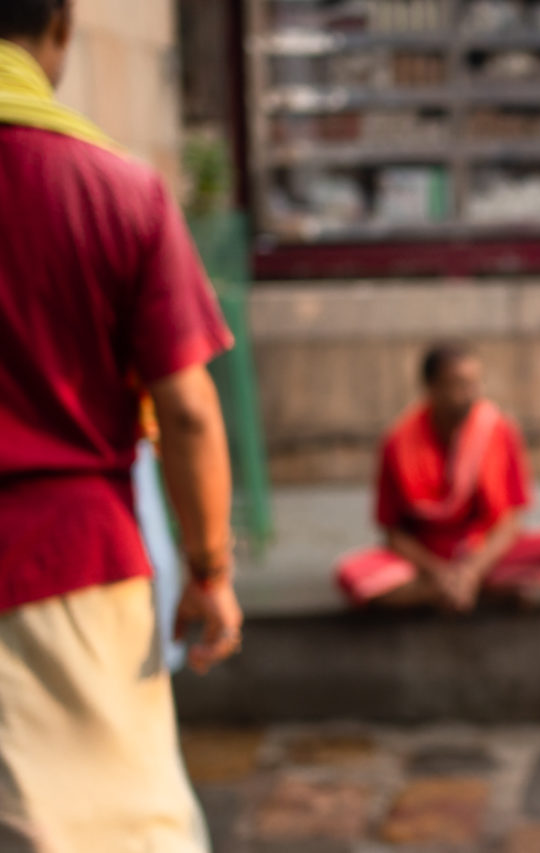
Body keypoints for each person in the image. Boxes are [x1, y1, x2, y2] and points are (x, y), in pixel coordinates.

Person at [0, 2, 241, 849]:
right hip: (69, 563)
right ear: (60, 30)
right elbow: (186, 408)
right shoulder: (114, 188)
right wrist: (210, 568)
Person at [336, 344, 540, 610]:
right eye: (459, 384)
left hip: (484, 555)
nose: (471, 393)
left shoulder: (499, 431)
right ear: (432, 387)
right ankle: (460, 592)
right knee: (350, 573)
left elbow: (510, 522)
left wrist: (471, 571)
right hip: (424, 561)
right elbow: (394, 533)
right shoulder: (397, 442)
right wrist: (439, 574)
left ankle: (437, 593)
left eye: (474, 383)